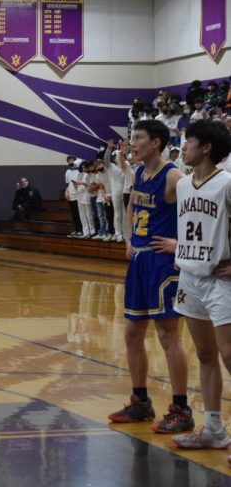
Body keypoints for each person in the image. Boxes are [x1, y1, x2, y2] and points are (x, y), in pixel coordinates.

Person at [151, 120, 231, 457]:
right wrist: (178, 246)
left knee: (230, 355)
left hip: (221, 280)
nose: (182, 147)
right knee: (205, 354)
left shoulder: (227, 182)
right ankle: (213, 429)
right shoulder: (184, 185)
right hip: (190, 277)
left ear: (207, 147)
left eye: (189, 141)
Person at [107, 119, 193, 435]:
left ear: (156, 142)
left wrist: (179, 245)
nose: (132, 143)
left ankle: (182, 408)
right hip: (140, 260)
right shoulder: (141, 172)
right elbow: (130, 207)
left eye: (138, 137)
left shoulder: (174, 176)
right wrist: (128, 238)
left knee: (168, 336)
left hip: (163, 263)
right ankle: (141, 402)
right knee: (132, 333)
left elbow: (200, 213)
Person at [65, 156, 83, 237]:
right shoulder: (67, 172)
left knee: (79, 214)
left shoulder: (79, 171)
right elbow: (68, 184)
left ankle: (81, 230)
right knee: (74, 214)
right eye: (69, 161)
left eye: (72, 160)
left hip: (78, 196)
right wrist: (67, 192)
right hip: (71, 196)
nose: (71, 162)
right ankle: (76, 230)